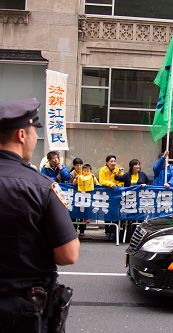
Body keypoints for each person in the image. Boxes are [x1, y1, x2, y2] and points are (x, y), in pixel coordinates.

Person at [0, 98, 79, 332]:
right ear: (21, 135)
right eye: (35, 131)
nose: (36, 138)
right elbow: (68, 254)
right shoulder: (41, 187)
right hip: (23, 310)